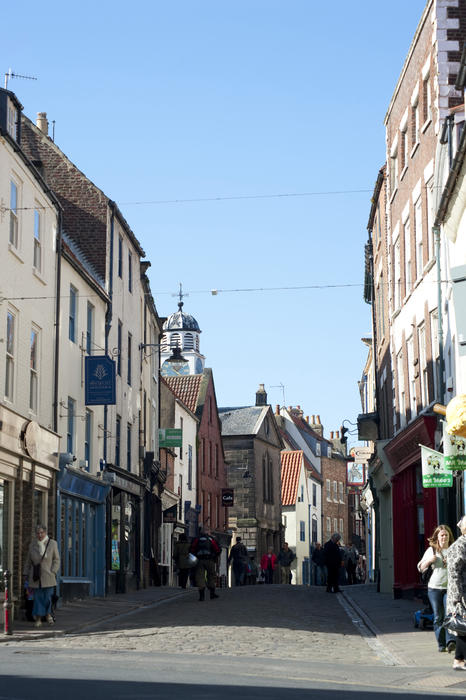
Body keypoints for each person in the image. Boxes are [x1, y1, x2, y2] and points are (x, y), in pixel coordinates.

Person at [417, 524, 455, 653]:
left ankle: (451, 641)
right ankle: (441, 644)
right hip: (434, 588)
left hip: (450, 588)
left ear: (449, 537)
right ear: (437, 537)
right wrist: (429, 561)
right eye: (442, 535)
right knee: (438, 616)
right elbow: (420, 567)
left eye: (446, 535)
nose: (444, 537)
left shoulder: (453, 549)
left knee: (449, 615)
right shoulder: (432, 551)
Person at [25, 523, 60, 627]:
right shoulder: (32, 545)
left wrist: (53, 571)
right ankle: (39, 619)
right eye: (38, 533)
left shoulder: (53, 544)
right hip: (35, 576)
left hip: (48, 576)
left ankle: (48, 615)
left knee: (47, 597)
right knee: (38, 598)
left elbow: (57, 560)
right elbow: (28, 561)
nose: (40, 535)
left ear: (45, 532)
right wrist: (26, 574)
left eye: (42, 532)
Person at [446, 515, 466, 671]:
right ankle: (459, 660)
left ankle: (459, 659)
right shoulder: (458, 546)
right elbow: (454, 573)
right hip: (461, 594)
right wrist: (457, 597)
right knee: (462, 626)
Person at [190, 528, 221, 601]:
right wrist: (215, 556)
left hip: (199, 560)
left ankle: (201, 596)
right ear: (208, 532)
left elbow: (192, 549)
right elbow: (217, 549)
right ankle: (212, 594)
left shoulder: (196, 539)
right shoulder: (211, 539)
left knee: (200, 577)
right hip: (210, 560)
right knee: (211, 576)